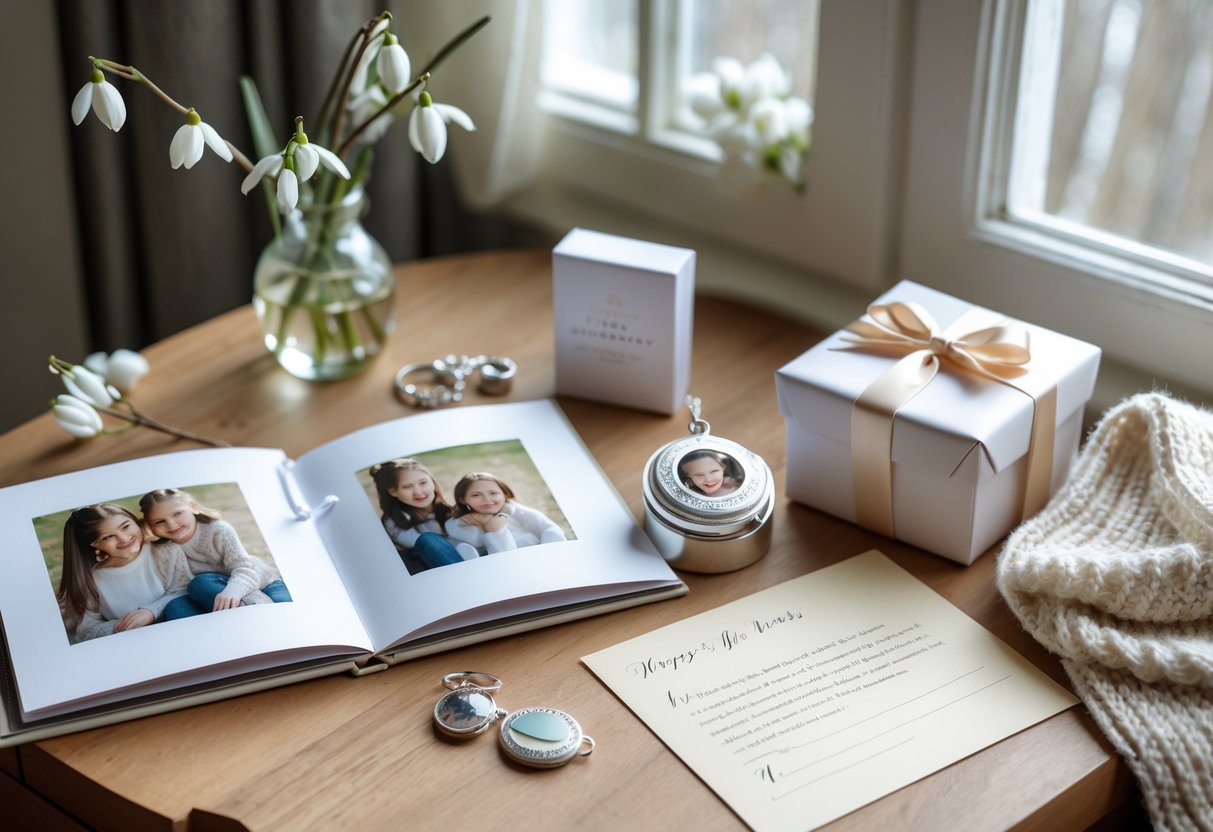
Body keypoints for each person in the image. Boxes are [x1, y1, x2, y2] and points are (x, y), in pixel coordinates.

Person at [139, 488, 291, 620]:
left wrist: (234, 591)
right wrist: (152, 609)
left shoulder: (218, 530)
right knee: (178, 605)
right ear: (149, 526)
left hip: (262, 583)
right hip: (213, 593)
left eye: (177, 513)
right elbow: (179, 588)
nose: (171, 525)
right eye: (159, 522)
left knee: (285, 607)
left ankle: (254, 610)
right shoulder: (163, 550)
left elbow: (245, 567)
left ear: (193, 506)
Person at [56, 504, 193, 642]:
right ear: (94, 544)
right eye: (108, 537)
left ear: (135, 521)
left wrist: (151, 611)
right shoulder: (89, 578)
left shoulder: (166, 551)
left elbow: (184, 589)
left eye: (126, 526)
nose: (123, 538)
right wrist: (126, 626)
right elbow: (87, 630)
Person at [370, 459, 477, 574]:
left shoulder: (447, 510)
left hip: (470, 560)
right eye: (407, 486)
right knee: (428, 540)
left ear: (432, 482)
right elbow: (420, 544)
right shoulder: (393, 520)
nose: (418, 491)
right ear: (393, 491)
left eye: (423, 483)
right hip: (430, 570)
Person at [445, 472, 567, 554]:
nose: (487, 500)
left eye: (493, 493)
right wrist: (494, 526)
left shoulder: (513, 509)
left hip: (543, 553)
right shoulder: (459, 524)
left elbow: (548, 527)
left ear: (505, 494)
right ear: (463, 499)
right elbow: (503, 552)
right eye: (476, 495)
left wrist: (549, 553)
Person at [679, 450, 743, 497]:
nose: (708, 479)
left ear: (723, 468)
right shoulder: (689, 496)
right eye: (699, 475)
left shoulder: (738, 486)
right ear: (689, 476)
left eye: (714, 471)